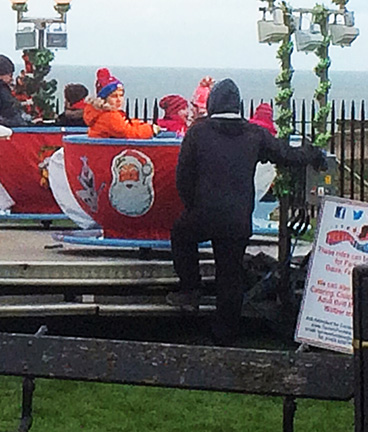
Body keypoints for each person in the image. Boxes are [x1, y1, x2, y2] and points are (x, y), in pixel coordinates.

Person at [167, 79, 324, 345]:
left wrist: (193, 205)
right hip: (237, 217)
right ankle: (225, 333)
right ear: (238, 105)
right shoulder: (254, 134)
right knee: (230, 274)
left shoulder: (198, 132)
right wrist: (313, 152)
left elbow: (183, 176)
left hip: (204, 212)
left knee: (181, 235)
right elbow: (287, 155)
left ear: (213, 104)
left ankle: (190, 289)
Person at [84, 68, 159, 139]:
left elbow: (124, 125)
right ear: (104, 99)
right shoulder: (110, 116)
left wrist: (137, 124)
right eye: (114, 96)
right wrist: (150, 129)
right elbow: (129, 133)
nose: (119, 100)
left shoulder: (100, 113)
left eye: (121, 95)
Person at [0, 54, 29, 127]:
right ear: (0, 75)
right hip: (8, 130)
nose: (11, 78)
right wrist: (14, 122)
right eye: (10, 75)